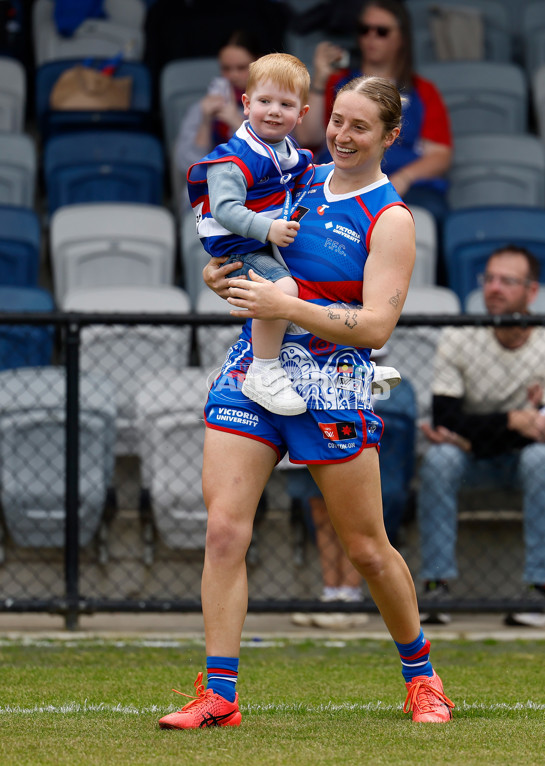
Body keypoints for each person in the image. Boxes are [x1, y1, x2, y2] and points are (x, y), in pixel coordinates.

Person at [158, 75, 454, 730]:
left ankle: (422, 675)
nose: (343, 136)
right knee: (225, 528)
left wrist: (288, 304)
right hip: (256, 367)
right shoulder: (297, 176)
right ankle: (220, 695)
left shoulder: (392, 217)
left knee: (367, 548)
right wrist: (221, 272)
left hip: (334, 381)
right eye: (337, 121)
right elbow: (241, 242)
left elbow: (376, 328)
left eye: (360, 127)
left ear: (389, 136)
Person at [417, 246, 545, 628]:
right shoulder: (459, 336)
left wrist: (472, 435)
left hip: (541, 456)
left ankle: (542, 593)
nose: (494, 288)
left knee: (539, 458)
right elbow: (445, 418)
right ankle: (436, 586)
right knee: (440, 459)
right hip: (476, 458)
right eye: (488, 279)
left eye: (507, 281)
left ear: (532, 291)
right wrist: (513, 420)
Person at [187, 52, 313, 416]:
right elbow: (225, 210)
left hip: (263, 243)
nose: (274, 111)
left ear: (301, 114)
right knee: (284, 291)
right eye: (265, 101)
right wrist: (269, 228)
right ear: (245, 104)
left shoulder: (287, 151)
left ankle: (342, 367)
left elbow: (310, 175)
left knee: (316, 274)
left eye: (286, 104)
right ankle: (263, 371)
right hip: (239, 249)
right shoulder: (234, 158)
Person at [294, 0, 452, 280]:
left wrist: (403, 178)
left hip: (403, 189)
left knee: (431, 214)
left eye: (381, 31)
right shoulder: (338, 82)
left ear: (401, 37)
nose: (370, 38)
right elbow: (308, 137)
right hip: (339, 181)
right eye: (364, 30)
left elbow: (440, 155)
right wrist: (320, 78)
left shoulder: (424, 91)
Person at [173, 30, 262, 216]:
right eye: (226, 68)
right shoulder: (203, 107)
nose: (233, 76)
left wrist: (237, 123)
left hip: (258, 195)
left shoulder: (275, 106)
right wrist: (206, 121)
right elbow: (188, 165)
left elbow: (275, 163)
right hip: (209, 193)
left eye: (241, 67)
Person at [288, 467, 369, 630]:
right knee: (319, 507)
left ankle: (350, 597)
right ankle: (331, 594)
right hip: (316, 443)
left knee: (350, 506)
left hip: (348, 444)